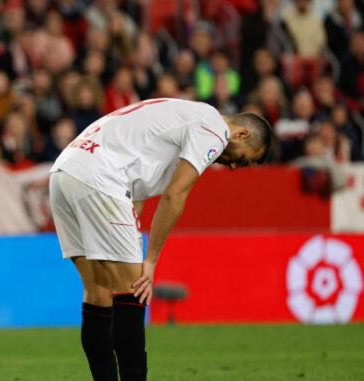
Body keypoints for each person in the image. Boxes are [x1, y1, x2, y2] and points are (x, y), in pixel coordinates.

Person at [49, 98, 272, 381]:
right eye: (242, 159)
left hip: (65, 172)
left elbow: (135, 183)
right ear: (242, 134)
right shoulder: (215, 128)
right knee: (133, 290)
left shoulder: (183, 113)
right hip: (100, 178)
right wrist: (150, 259)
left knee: (99, 292)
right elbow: (175, 194)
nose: (232, 167)